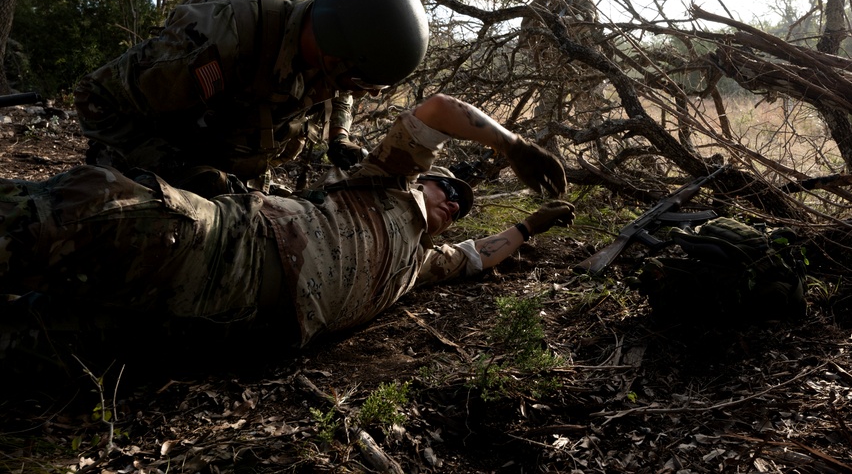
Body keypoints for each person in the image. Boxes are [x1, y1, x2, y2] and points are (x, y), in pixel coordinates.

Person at [0, 94, 575, 350]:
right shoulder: (385, 184)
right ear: (422, 179)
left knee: (39, 335)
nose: (454, 200)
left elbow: (481, 255)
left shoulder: (423, 262)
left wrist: (529, 228)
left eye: (461, 205)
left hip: (226, 333)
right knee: (80, 213)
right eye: (447, 186)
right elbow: (436, 112)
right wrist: (511, 144)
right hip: (231, 248)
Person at [74, 0, 430, 195]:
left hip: (233, 182)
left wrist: (340, 136)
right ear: (334, 55)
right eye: (360, 84)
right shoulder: (220, 38)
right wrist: (177, 169)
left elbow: (342, 88)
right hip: (149, 175)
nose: (359, 94)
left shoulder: (331, 44)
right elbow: (94, 97)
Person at [520, 0, 606, 140]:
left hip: (584, 68)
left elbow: (590, 23)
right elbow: (524, 39)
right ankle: (548, 151)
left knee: (591, 117)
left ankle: (600, 153)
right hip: (551, 69)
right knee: (545, 117)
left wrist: (560, 21)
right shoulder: (539, 4)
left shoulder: (582, 0)